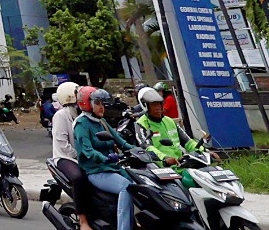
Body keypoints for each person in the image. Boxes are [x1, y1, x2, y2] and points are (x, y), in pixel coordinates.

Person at [74, 89, 136, 230]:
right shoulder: (81, 124)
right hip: (96, 171)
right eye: (97, 103)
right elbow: (87, 150)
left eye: (102, 103)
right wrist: (105, 158)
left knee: (141, 186)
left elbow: (120, 141)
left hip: (114, 168)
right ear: (87, 104)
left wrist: (140, 150)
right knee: (126, 187)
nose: (101, 107)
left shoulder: (102, 122)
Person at [133, 87, 203, 187]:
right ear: (145, 106)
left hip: (181, 164)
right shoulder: (141, 124)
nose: (158, 107)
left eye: (159, 104)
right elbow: (147, 147)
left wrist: (204, 151)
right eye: (154, 105)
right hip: (162, 169)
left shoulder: (169, 121)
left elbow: (187, 141)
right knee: (189, 181)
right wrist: (165, 158)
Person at [50, 81, 94, 230]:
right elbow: (63, 144)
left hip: (84, 156)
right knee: (79, 178)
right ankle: (83, 221)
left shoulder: (85, 115)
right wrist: (80, 156)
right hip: (65, 158)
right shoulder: (60, 116)